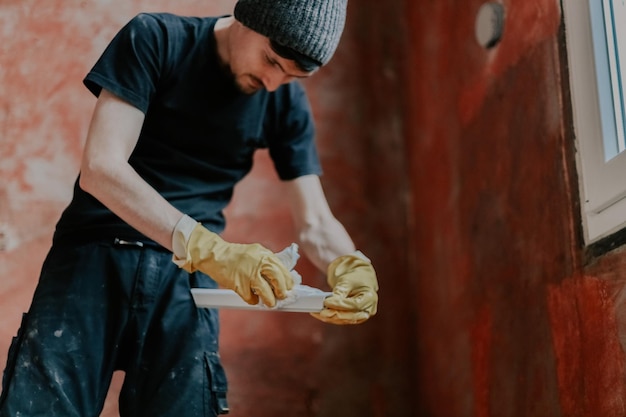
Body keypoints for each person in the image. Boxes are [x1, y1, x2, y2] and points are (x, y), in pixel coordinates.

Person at [0, 0, 379, 415]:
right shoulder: (156, 39)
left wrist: (350, 265)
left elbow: (316, 221)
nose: (273, 82)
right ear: (249, 16)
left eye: (292, 76)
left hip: (187, 281)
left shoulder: (285, 103)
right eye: (272, 60)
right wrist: (208, 248)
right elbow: (102, 167)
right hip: (93, 253)